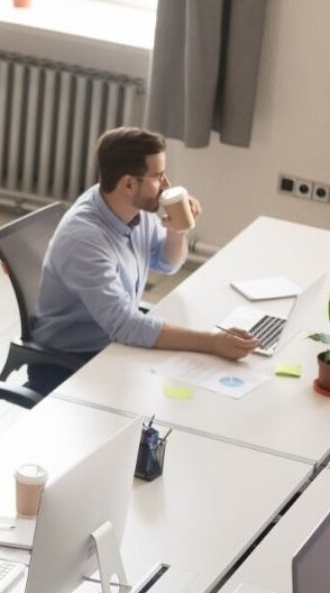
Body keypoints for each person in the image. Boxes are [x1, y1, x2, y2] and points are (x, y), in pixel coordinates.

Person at [28, 126, 257, 394]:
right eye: (158, 176)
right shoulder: (84, 239)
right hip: (72, 362)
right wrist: (213, 342)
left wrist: (177, 230)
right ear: (128, 183)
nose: (166, 186)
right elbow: (124, 325)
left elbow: (166, 263)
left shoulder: (133, 208)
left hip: (111, 343)